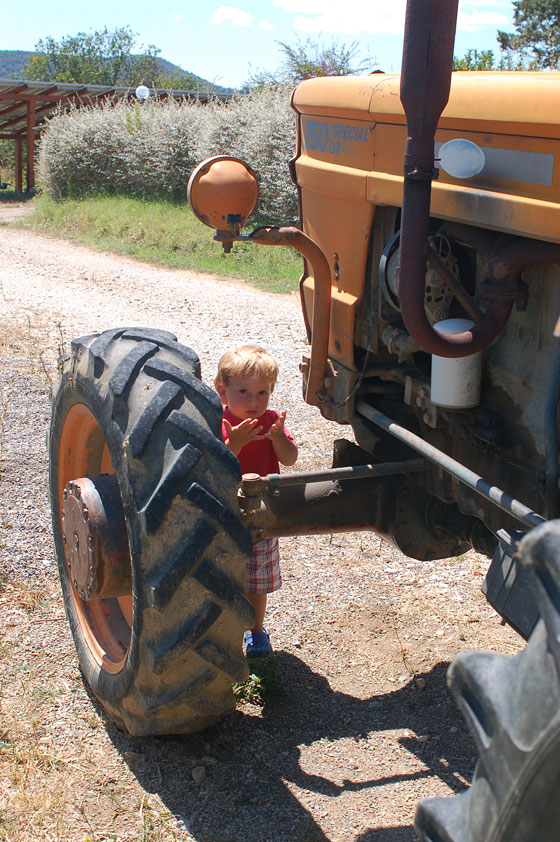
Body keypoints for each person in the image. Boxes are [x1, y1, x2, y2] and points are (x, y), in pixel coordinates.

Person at [215, 344, 298, 658]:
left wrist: (278, 438)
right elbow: (214, 465)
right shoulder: (220, 422)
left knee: (256, 579)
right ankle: (223, 629)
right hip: (226, 511)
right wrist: (232, 444)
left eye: (262, 393)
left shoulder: (271, 421)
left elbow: (290, 459)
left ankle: (256, 630)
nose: (254, 401)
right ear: (222, 392)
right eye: (244, 392)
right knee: (224, 573)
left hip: (262, 514)